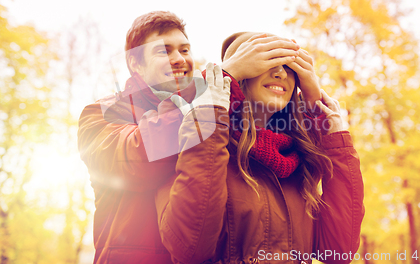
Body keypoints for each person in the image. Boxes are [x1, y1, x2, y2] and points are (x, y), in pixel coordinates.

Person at [77, 13, 302, 263]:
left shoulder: (216, 111)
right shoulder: (102, 113)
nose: (179, 59)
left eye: (185, 50)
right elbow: (135, 159)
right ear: (135, 63)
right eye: (164, 51)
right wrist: (224, 77)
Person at [155, 32, 365, 264]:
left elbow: (338, 252)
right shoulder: (197, 141)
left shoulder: (300, 160)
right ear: (240, 73)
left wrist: (331, 132)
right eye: (267, 61)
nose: (280, 73)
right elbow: (190, 249)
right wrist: (209, 112)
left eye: (289, 66)